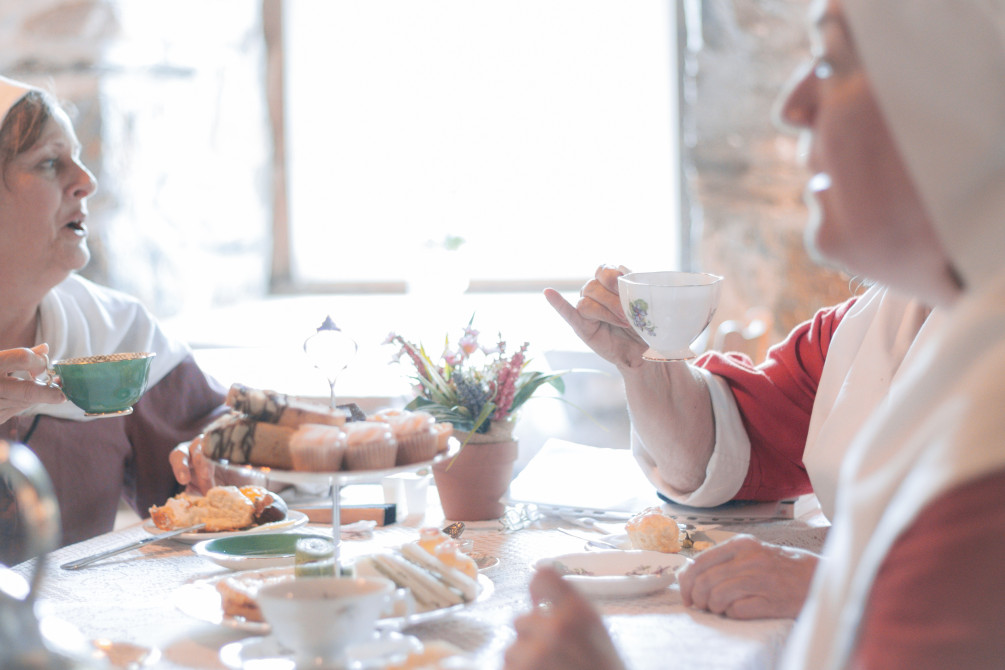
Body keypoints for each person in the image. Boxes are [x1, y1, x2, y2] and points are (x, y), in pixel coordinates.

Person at [506, 0, 1005, 667]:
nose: (792, 104)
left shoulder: (979, 465)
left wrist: (832, 587)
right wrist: (645, 363)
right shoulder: (878, 326)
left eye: (829, 62)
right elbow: (735, 451)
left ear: (952, 100)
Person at [0, 75, 228, 565]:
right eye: (48, 162)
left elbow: (213, 442)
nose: (86, 179)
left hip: (69, 637)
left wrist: (215, 459)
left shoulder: (116, 331)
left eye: (77, 157)